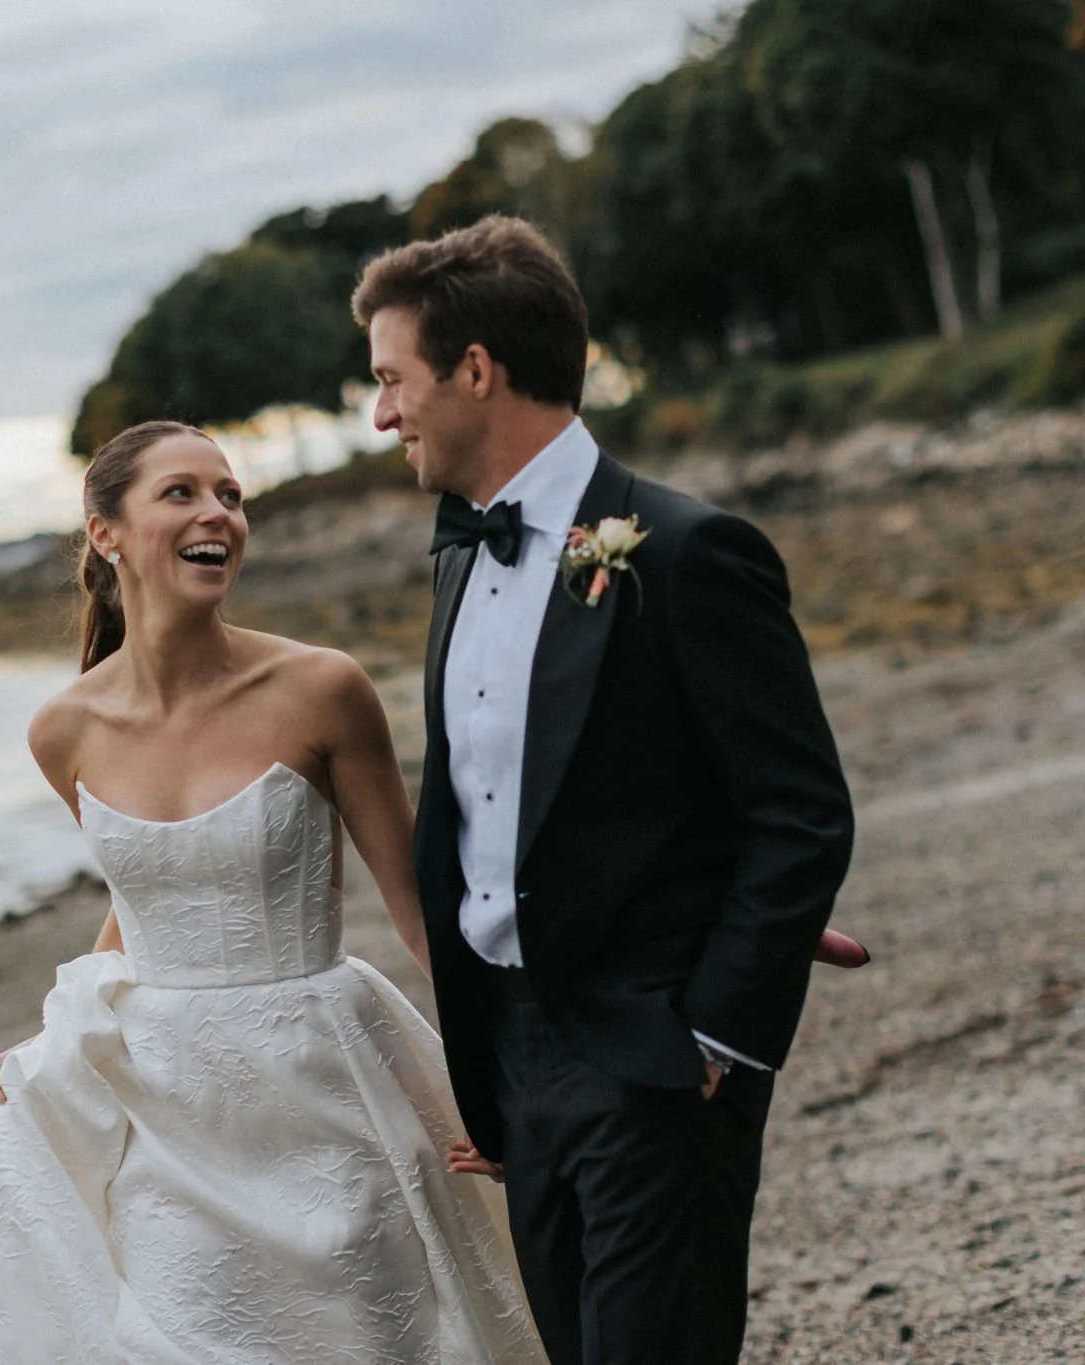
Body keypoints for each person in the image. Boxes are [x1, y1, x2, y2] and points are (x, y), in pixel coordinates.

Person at [0, 420, 547, 1363]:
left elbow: (419, 906)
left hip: (325, 1088)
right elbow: (149, 887)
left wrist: (513, 1074)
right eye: (182, 493)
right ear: (106, 531)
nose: (217, 515)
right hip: (166, 1107)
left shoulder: (322, 689)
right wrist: (54, 1035)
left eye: (230, 495)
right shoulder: (63, 731)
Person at [355, 216, 859, 1365]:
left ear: (474, 371)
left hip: (654, 1054)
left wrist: (719, 1034)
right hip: (512, 1064)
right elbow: (484, 813)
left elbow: (798, 813)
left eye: (392, 382)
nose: (381, 414)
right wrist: (481, 1055)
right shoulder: (454, 558)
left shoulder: (686, 551)